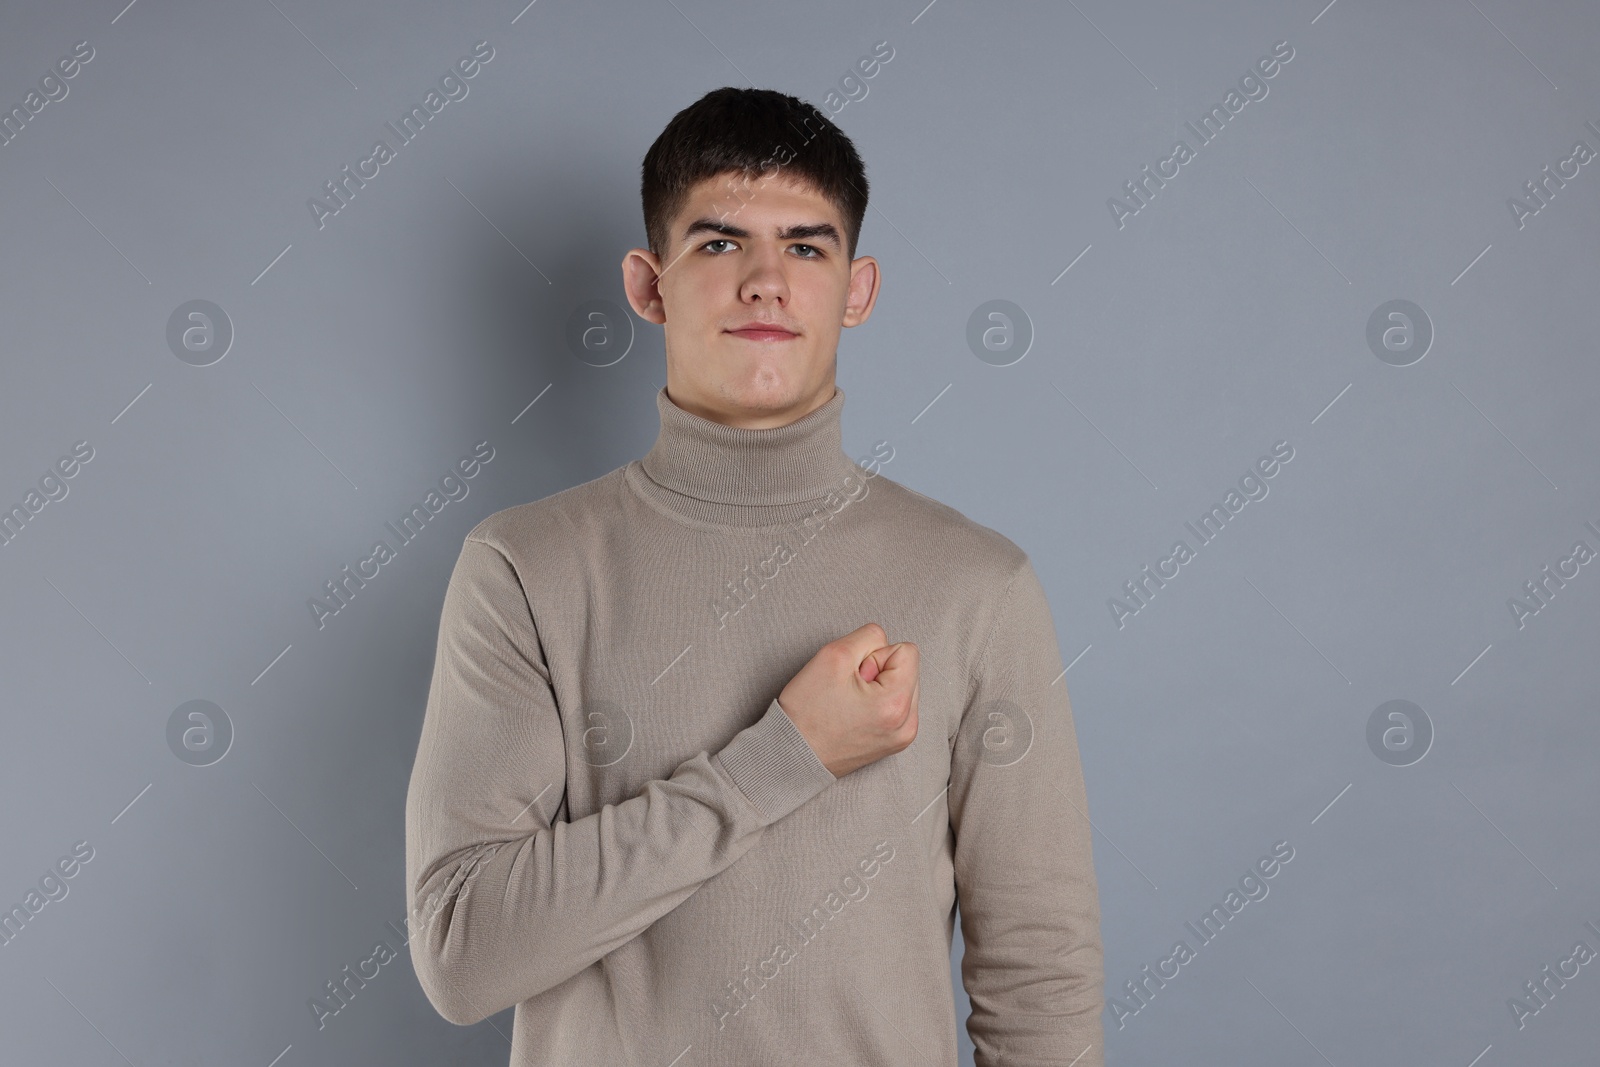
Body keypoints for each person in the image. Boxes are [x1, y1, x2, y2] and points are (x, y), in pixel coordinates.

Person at [404, 85, 1104, 1066]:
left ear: (856, 289)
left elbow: (1040, 982)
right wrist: (782, 757)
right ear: (649, 285)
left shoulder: (975, 585)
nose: (766, 281)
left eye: (806, 247)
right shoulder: (524, 568)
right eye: (721, 243)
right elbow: (462, 952)